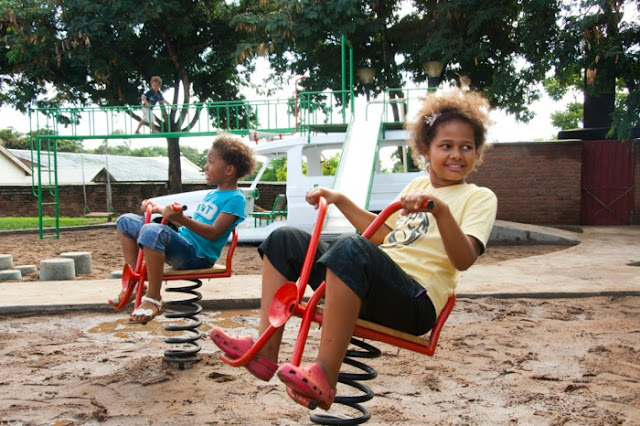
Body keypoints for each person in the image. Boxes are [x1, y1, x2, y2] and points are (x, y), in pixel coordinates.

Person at [209, 86, 498, 411]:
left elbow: (464, 259)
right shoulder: (417, 185)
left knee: (351, 247)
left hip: (416, 301)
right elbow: (385, 236)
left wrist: (441, 211)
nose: (457, 154)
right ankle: (265, 351)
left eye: (466, 147)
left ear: (477, 153)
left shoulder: (479, 198)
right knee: (284, 238)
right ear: (425, 150)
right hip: (376, 284)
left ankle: (324, 374)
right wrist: (341, 200)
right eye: (446, 146)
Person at [109, 135, 256, 324]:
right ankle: (137, 285)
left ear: (229, 170)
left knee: (152, 230)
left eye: (210, 162)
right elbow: (190, 225)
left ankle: (154, 297)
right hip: (184, 243)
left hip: (198, 257)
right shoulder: (213, 194)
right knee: (125, 221)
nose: (205, 167)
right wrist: (162, 210)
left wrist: (181, 219)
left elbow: (213, 233)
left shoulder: (236, 199)